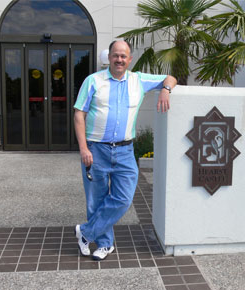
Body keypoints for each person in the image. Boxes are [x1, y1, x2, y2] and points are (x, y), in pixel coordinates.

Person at [73, 40, 177, 261]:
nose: (119, 59)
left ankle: (86, 232)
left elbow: (171, 78)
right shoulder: (93, 81)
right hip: (95, 150)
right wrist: (83, 148)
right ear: (109, 57)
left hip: (125, 151)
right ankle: (104, 244)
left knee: (123, 199)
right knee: (96, 200)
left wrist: (165, 91)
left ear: (130, 60)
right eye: (115, 55)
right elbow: (79, 114)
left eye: (123, 56)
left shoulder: (138, 80)